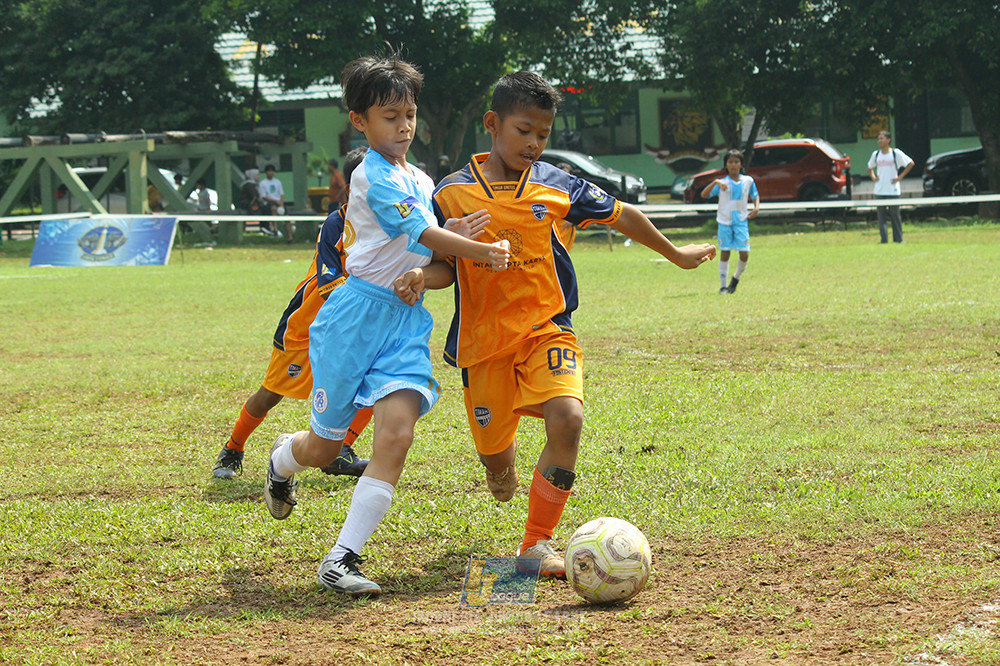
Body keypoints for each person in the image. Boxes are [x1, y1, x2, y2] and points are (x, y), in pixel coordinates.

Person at [426, 71, 715, 579]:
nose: (534, 143)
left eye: (543, 133)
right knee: (495, 462)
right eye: (524, 130)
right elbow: (442, 265)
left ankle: (536, 544)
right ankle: (503, 466)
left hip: (547, 329)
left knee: (568, 418)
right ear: (492, 124)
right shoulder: (449, 195)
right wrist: (420, 272)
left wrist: (673, 253)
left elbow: (621, 215)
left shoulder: (558, 185)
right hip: (483, 345)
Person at [264, 53, 511, 597]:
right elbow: (430, 236)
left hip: (403, 325)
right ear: (360, 121)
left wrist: (427, 271)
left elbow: (439, 263)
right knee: (325, 450)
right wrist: (478, 247)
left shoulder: (419, 178)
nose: (403, 126)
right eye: (389, 116)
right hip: (354, 319)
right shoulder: (369, 174)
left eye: (409, 114)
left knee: (396, 434)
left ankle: (340, 558)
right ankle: (284, 459)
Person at [213, 148, 373, 480]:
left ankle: (339, 451)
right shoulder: (337, 223)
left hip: (359, 324)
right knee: (271, 394)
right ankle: (233, 447)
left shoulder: (393, 222)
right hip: (311, 323)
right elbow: (329, 279)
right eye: (372, 178)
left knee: (378, 385)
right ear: (351, 184)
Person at [700, 148, 759, 294]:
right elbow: (704, 194)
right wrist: (715, 182)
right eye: (730, 162)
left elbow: (755, 194)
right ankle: (723, 286)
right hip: (724, 222)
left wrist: (756, 208)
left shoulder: (748, 181)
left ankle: (735, 278)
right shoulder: (722, 183)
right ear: (726, 164)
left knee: (744, 253)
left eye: (736, 162)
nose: (733, 165)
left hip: (741, 222)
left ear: (741, 164)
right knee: (725, 252)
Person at [867, 130, 914, 244]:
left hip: (892, 190)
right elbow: (869, 167)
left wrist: (900, 177)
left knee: (895, 216)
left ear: (888, 140)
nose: (879, 141)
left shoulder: (895, 153)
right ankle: (884, 240)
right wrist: (873, 177)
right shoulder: (876, 154)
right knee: (881, 217)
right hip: (880, 190)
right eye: (878, 139)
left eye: (882, 138)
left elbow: (910, 163)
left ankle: (898, 239)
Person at [259, 164, 288, 240]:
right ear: (266, 172)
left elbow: (281, 194)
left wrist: (281, 204)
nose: (271, 173)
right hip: (269, 203)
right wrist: (275, 201)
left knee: (287, 215)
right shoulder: (263, 183)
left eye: (272, 171)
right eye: (269, 171)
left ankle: (289, 236)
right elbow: (264, 197)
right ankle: (275, 229)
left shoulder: (277, 182)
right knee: (273, 208)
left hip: (279, 202)